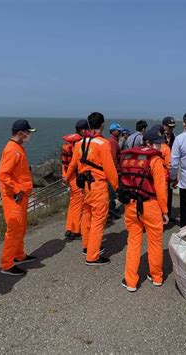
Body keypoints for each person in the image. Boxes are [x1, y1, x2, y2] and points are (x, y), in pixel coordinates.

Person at [119, 127, 169, 292]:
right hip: (151, 206)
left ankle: (131, 281)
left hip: (131, 205)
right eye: (158, 144)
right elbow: (161, 189)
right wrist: (165, 211)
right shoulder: (155, 161)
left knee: (133, 242)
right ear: (148, 143)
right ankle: (156, 277)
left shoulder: (128, 158)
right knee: (155, 242)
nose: (161, 147)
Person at [65, 112, 119, 265]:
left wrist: (67, 177)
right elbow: (109, 168)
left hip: (85, 185)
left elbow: (73, 164)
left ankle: (87, 246)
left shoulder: (79, 143)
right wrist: (117, 186)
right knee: (98, 220)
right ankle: (92, 256)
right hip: (98, 185)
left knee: (87, 215)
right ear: (102, 124)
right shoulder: (103, 143)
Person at [0, 119, 37, 276]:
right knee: (14, 230)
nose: (29, 135)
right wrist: (18, 189)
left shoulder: (17, 148)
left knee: (20, 227)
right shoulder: (12, 150)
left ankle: (19, 255)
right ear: (20, 133)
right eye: (28, 133)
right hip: (15, 197)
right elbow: (3, 174)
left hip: (20, 195)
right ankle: (7, 264)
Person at [61, 119, 89, 241]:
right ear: (83, 130)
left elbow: (64, 164)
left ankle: (69, 228)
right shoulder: (78, 143)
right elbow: (76, 163)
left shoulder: (66, 144)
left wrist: (65, 176)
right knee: (79, 205)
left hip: (70, 177)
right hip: (77, 178)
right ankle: (76, 231)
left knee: (73, 204)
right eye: (87, 129)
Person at [108, 123, 122, 220]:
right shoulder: (112, 142)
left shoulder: (112, 140)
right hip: (113, 171)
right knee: (111, 192)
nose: (120, 131)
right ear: (113, 131)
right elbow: (113, 157)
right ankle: (111, 212)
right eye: (118, 130)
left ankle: (111, 209)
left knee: (111, 191)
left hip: (111, 170)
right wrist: (117, 170)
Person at [162, 116, 176, 218]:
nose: (170, 129)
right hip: (160, 169)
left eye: (172, 127)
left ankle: (168, 214)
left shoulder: (175, 138)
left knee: (169, 193)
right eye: (169, 127)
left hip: (170, 169)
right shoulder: (159, 137)